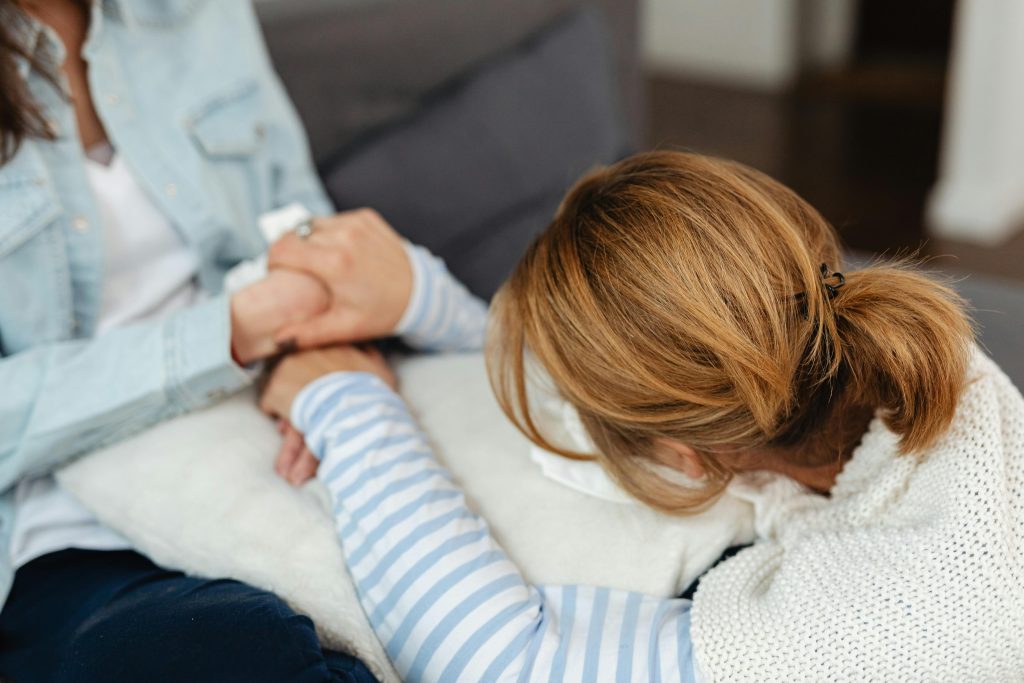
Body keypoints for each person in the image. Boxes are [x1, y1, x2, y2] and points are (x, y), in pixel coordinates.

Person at [260, 151, 1024, 681]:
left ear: (684, 458)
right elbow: (661, 375)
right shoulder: (886, 345)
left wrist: (346, 399)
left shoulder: (885, 622)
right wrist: (422, 303)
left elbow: (502, 665)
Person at [0, 1, 431, 680]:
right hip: (77, 532)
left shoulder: (197, 10)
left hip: (288, 431)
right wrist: (226, 335)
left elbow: (300, 217)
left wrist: (320, 350)